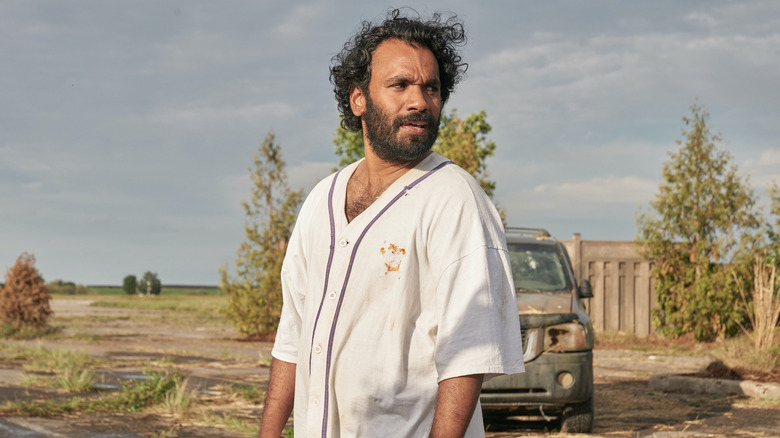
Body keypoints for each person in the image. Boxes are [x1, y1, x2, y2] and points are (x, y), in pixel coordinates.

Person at [259, 9, 524, 438]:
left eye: (431, 87)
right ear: (358, 98)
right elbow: (292, 336)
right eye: (400, 85)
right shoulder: (322, 199)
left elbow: (467, 357)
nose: (419, 101)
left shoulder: (454, 199)